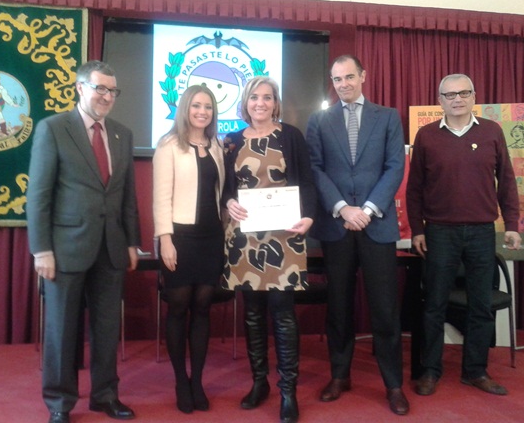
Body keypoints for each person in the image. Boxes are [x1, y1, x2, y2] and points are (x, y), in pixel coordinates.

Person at [26, 60, 140, 423]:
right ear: (80, 88)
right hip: (65, 249)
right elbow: (38, 195)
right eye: (100, 88)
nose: (107, 96)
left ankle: (105, 396)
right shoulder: (53, 128)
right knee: (61, 329)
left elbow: (127, 196)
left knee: (107, 328)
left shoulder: (122, 134)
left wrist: (132, 243)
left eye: (112, 90)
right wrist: (41, 249)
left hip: (111, 248)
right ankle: (60, 403)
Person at [406, 73, 521, 398]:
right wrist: (417, 230)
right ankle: (430, 371)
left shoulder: (492, 131)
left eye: (463, 93)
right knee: (434, 305)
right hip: (439, 232)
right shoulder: (426, 135)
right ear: (439, 100)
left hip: (483, 232)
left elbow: (507, 181)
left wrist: (512, 224)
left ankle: (475, 371)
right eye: (450, 94)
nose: (457, 99)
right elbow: (414, 189)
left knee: (481, 305)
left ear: (474, 97)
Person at [306, 54, 409, 416]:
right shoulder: (319, 120)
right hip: (337, 225)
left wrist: (366, 210)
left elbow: (395, 167)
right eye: (337, 79)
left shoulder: (388, 117)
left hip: (376, 224)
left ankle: (393, 384)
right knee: (338, 306)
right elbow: (315, 168)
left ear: (363, 76)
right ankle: (339, 375)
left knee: (385, 309)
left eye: (349, 77)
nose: (343, 84)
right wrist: (342, 208)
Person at [223, 76, 316, 423]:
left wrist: (309, 216)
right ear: (245, 102)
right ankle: (259, 382)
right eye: (254, 97)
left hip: (284, 236)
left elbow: (307, 181)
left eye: (267, 97)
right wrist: (228, 201)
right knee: (252, 313)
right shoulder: (231, 141)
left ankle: (288, 391)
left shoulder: (290, 136)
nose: (260, 103)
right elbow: (224, 187)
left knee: (283, 314)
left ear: (275, 103)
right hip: (245, 238)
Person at [153, 85, 225, 414]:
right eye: (196, 105)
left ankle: (197, 381)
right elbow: (161, 198)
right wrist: (164, 239)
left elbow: (221, 194)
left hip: (212, 237)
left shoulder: (217, 146)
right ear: (185, 108)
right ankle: (181, 381)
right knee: (179, 308)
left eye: (208, 107)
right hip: (179, 238)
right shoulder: (168, 144)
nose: (202, 112)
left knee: (203, 308)